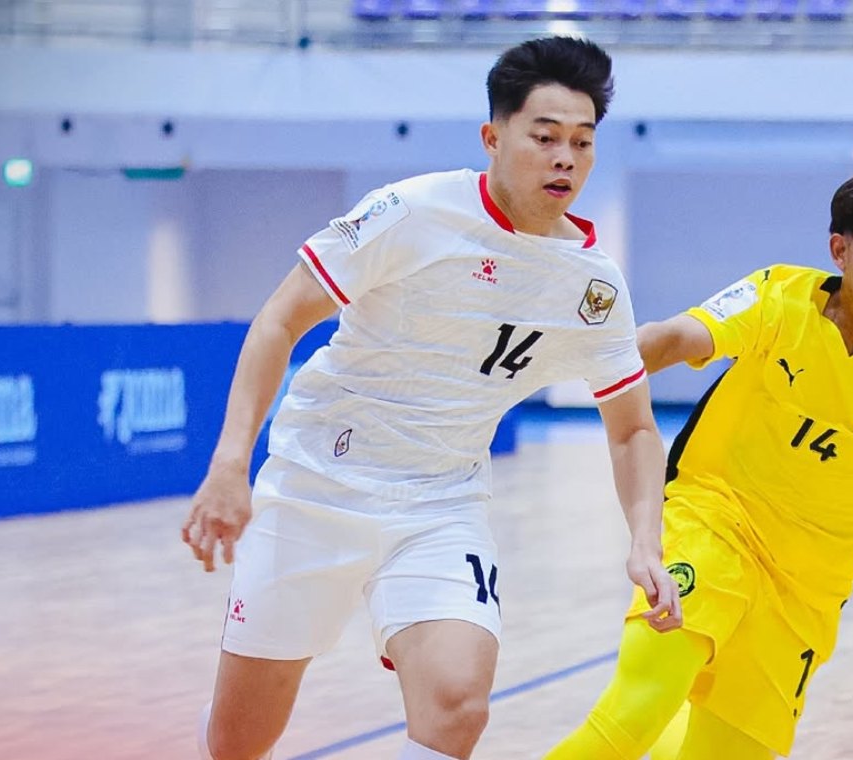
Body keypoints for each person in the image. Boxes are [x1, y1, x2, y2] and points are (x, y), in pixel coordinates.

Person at [180, 36, 682, 760]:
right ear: (493, 137)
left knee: (458, 707)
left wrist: (645, 542)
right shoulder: (411, 212)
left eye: (582, 141)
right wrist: (230, 464)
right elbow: (280, 318)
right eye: (545, 138)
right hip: (316, 486)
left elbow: (633, 429)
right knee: (239, 741)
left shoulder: (593, 287)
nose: (565, 158)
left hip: (439, 506)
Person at [546, 167, 853, 760]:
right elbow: (679, 337)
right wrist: (571, 356)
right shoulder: (778, 295)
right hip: (714, 524)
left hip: (806, 591)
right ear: (840, 248)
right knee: (633, 715)